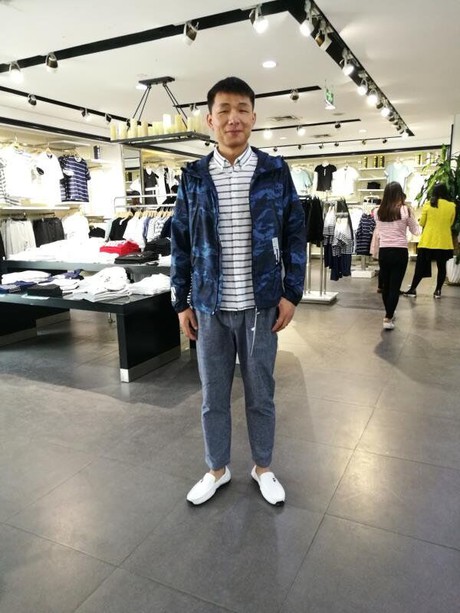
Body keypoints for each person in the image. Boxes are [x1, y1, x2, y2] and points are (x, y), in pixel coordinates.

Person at [170, 76, 306, 506]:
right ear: (210, 120)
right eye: (224, 110)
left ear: (253, 117)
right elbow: (180, 241)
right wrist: (181, 300)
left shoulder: (274, 171)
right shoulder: (194, 176)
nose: (234, 118)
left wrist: (292, 292)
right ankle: (217, 468)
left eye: (242, 109)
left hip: (260, 305)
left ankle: (263, 467)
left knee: (261, 392)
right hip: (209, 307)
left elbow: (295, 233)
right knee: (213, 396)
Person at [376, 181, 420, 329]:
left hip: (384, 251)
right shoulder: (405, 210)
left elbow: (379, 231)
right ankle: (388, 317)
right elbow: (415, 231)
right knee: (395, 286)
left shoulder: (378, 211)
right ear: (400, 194)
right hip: (400, 251)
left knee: (386, 286)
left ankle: (389, 313)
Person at [403, 183, 456, 298]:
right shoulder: (452, 206)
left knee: (420, 266)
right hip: (444, 242)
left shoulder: (428, 204)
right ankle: (438, 291)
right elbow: (450, 223)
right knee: (442, 267)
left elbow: (422, 223)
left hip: (428, 241)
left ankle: (412, 289)